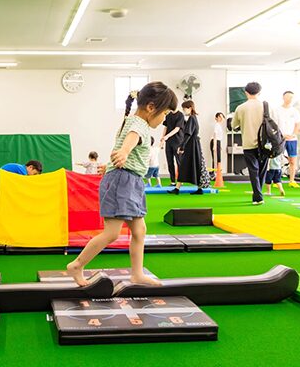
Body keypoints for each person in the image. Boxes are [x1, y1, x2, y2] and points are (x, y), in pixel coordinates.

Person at [67, 83, 178, 287]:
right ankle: (77, 265)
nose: (165, 119)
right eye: (165, 114)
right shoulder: (138, 124)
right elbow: (130, 140)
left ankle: (137, 274)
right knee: (112, 233)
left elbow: (124, 143)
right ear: (151, 108)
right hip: (123, 181)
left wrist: (112, 162)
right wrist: (125, 152)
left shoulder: (132, 121)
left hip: (131, 181)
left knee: (139, 230)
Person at [232, 82, 275, 205]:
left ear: (246, 92)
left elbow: (233, 125)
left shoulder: (241, 108)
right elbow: (274, 123)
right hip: (265, 144)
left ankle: (258, 196)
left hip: (248, 143)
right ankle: (258, 195)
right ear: (259, 92)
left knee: (253, 170)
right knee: (262, 170)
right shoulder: (266, 107)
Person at [168, 100, 210, 195]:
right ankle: (196, 188)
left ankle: (177, 189)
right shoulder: (194, 118)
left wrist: (182, 147)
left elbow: (187, 134)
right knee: (196, 165)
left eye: (184, 109)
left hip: (191, 145)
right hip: (194, 145)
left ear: (190, 108)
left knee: (184, 165)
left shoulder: (191, 118)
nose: (183, 111)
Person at [278, 91, 300, 188]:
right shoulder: (277, 110)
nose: (290, 99)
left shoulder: (295, 111)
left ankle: (292, 180)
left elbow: (298, 124)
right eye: (288, 97)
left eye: (291, 97)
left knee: (292, 160)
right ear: (283, 97)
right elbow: (273, 125)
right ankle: (277, 180)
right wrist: (282, 135)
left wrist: (293, 134)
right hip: (280, 139)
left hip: (292, 139)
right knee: (277, 160)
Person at [160, 107, 185, 185]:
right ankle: (173, 181)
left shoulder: (180, 115)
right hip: (169, 142)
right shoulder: (168, 115)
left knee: (179, 162)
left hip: (178, 141)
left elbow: (177, 129)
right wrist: (163, 138)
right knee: (170, 162)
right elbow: (166, 127)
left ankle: (181, 181)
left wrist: (167, 136)